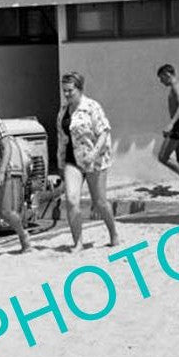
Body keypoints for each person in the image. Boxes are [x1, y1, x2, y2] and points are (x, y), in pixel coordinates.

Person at [57, 72, 119, 250]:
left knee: (99, 202)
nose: (67, 94)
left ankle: (113, 233)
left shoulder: (92, 106)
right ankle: (78, 242)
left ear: (79, 89)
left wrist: (93, 153)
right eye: (64, 91)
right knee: (71, 200)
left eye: (70, 90)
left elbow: (104, 132)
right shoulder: (63, 111)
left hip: (94, 160)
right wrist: (61, 164)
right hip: (72, 160)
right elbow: (62, 138)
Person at [0, 111, 31, 252]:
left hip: (0, 171)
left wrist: (1, 172)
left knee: (6, 212)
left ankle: (23, 236)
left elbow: (7, 146)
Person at [156, 63, 179, 198]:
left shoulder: (176, 86)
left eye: (161, 78)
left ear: (167, 74)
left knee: (163, 157)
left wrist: (171, 124)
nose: (161, 82)